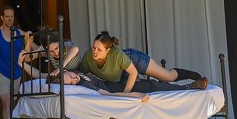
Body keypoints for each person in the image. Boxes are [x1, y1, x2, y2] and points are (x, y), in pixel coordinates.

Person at [79, 31, 206, 93]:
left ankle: (195, 77)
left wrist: (126, 95)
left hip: (134, 60)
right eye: (93, 48)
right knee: (148, 86)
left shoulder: (117, 54)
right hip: (121, 74)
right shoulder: (88, 57)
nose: (95, 52)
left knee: (168, 76)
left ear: (108, 50)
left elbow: (133, 73)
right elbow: (82, 75)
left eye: (99, 49)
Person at [62, 69, 208, 100]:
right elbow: (107, 94)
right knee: (152, 86)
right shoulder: (83, 85)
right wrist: (134, 95)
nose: (74, 79)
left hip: (115, 79)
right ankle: (188, 87)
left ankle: (193, 77)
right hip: (116, 88)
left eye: (71, 76)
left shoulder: (78, 71)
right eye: (71, 82)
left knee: (156, 77)